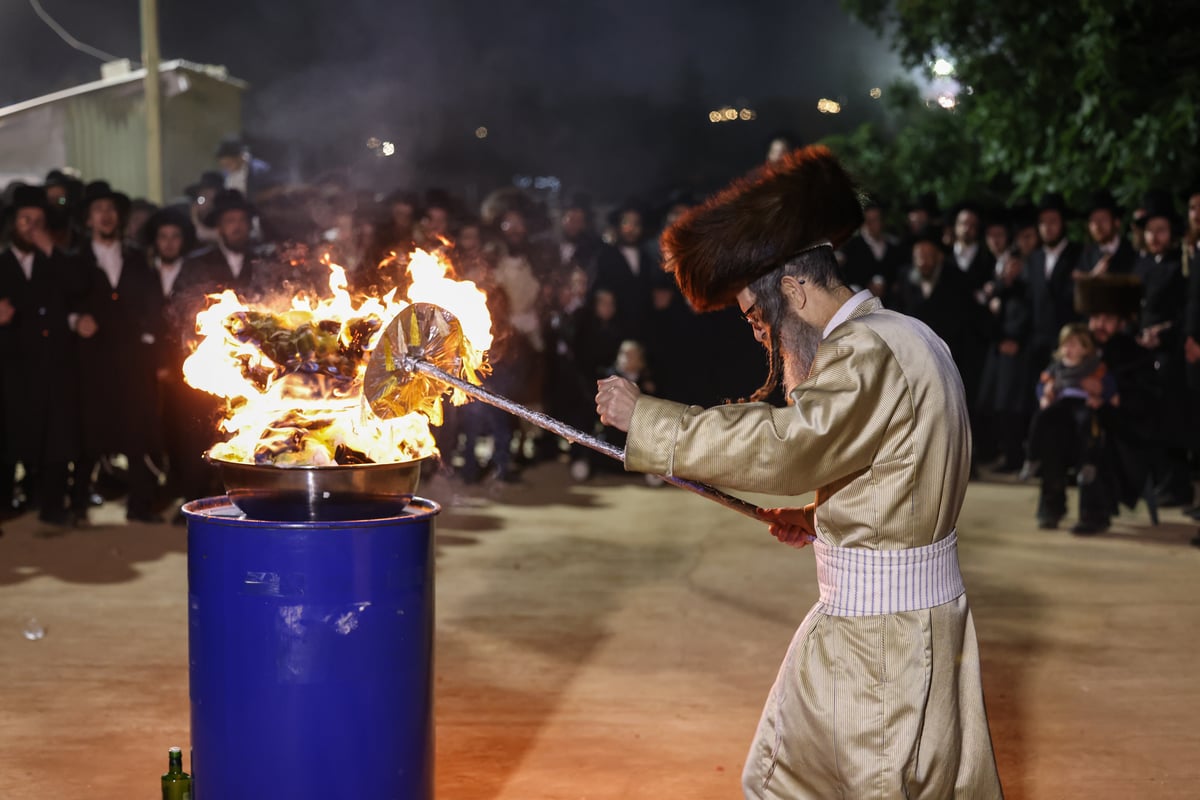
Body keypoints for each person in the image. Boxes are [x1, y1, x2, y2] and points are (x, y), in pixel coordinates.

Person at [595, 145, 1002, 799]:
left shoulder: (862, 352)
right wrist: (821, 518)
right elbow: (905, 476)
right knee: (784, 781)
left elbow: (790, 447)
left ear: (792, 287)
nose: (761, 336)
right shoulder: (909, 334)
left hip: (880, 646)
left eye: (757, 316)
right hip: (904, 625)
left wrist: (651, 420)